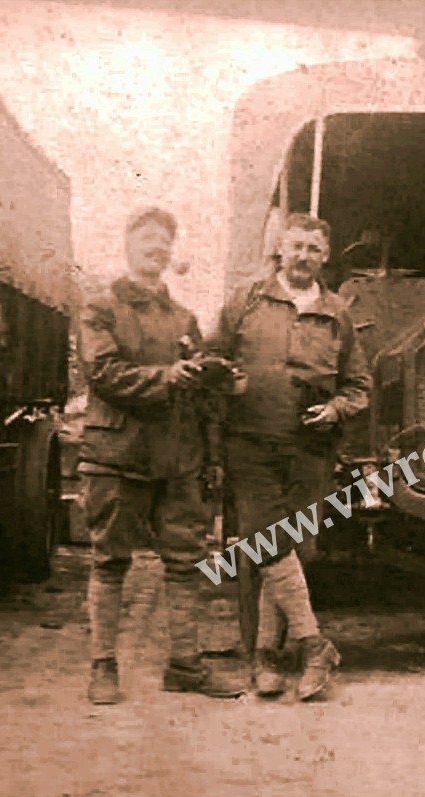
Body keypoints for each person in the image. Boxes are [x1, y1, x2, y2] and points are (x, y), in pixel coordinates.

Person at [77, 207, 243, 705]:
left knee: (186, 563)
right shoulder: (99, 308)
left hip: (177, 459)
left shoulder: (184, 319)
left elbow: (200, 395)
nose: (158, 248)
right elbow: (102, 372)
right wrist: (169, 376)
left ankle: (185, 665)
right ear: (128, 246)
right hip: (116, 454)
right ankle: (103, 666)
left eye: (165, 242)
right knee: (110, 561)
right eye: (148, 239)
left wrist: (214, 379)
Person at [209, 213, 370, 700]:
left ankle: (268, 660)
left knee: (292, 549)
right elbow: (210, 359)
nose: (303, 257)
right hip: (251, 442)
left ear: (325, 257)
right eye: (295, 247)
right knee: (266, 541)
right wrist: (225, 379)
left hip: (310, 449)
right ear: (279, 250)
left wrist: (336, 408)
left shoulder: (336, 312)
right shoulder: (247, 300)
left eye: (314, 250)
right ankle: (312, 642)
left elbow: (359, 384)